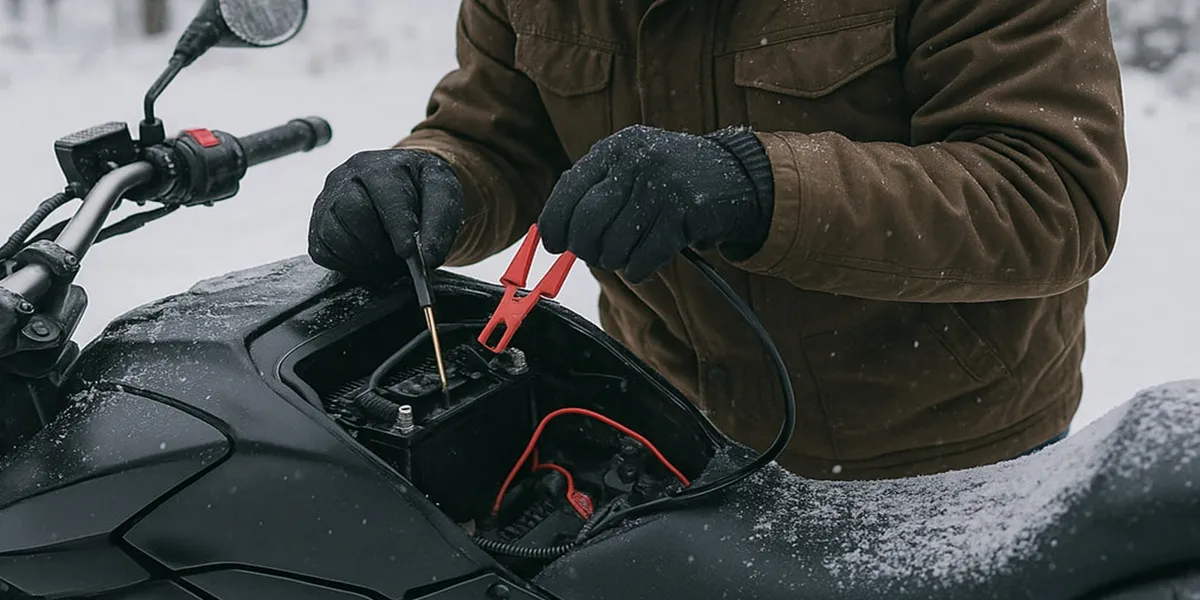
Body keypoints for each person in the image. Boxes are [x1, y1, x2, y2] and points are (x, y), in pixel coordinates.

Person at [307, 1, 1128, 480]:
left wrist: (758, 187)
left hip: (943, 455)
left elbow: (1049, 192)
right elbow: (503, 133)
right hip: (671, 434)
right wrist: (435, 176)